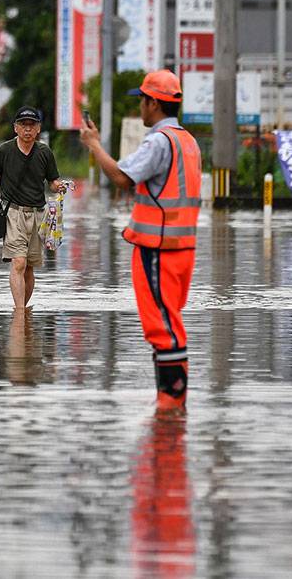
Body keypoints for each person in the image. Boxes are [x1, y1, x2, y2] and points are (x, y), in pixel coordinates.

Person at [78, 69, 202, 410]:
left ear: (153, 103)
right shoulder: (188, 141)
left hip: (157, 249)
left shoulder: (159, 142)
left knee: (161, 325)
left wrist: (94, 146)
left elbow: (121, 177)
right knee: (170, 320)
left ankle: (171, 402)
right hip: (182, 249)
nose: (140, 109)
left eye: (142, 102)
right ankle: (172, 402)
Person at [0, 106, 67, 311]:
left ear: (38, 129)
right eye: (23, 125)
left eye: (32, 125)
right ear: (16, 128)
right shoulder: (5, 150)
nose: (28, 129)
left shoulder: (44, 152)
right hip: (13, 213)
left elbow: (52, 181)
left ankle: (22, 310)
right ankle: (19, 312)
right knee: (19, 262)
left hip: (38, 215)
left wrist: (58, 186)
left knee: (30, 267)